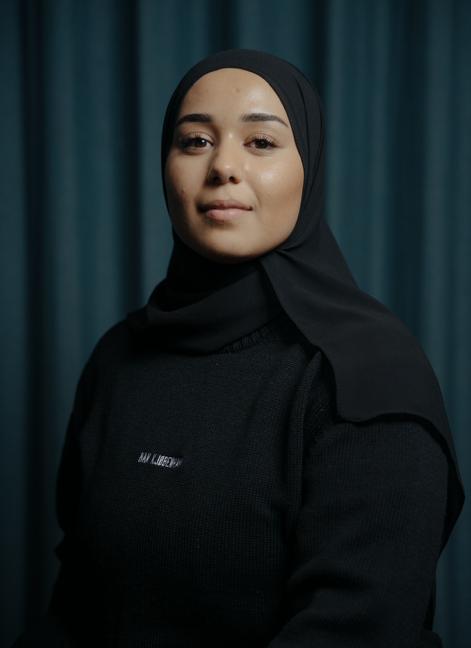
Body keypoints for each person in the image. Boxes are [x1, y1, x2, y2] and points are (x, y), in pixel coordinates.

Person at [14, 49, 464, 648]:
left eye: (261, 143)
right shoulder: (117, 358)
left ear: (309, 168)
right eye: (195, 141)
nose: (223, 165)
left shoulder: (368, 375)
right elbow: (76, 603)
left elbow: (357, 628)